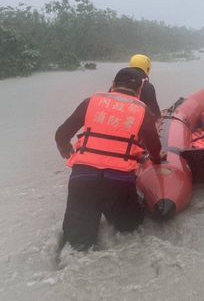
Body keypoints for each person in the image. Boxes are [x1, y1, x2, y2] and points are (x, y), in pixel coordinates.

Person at [55, 67, 165, 251]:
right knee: (129, 228)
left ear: (113, 85)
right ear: (139, 91)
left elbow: (61, 134)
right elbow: (154, 147)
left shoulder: (90, 102)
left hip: (82, 177)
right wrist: (157, 160)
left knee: (77, 244)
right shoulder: (143, 111)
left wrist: (66, 149)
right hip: (119, 181)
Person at [128, 54, 161, 119]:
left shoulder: (117, 84)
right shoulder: (147, 86)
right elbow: (156, 114)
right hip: (135, 123)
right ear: (147, 69)